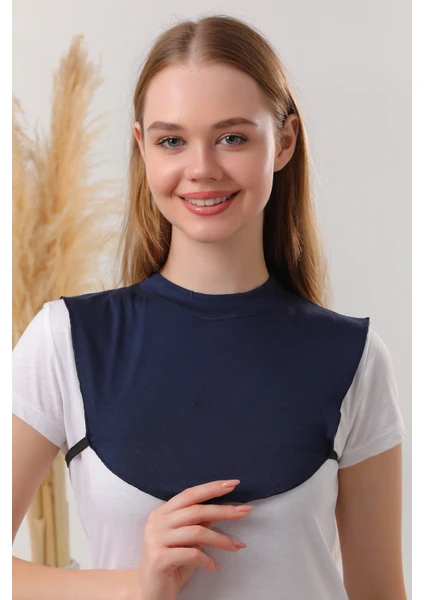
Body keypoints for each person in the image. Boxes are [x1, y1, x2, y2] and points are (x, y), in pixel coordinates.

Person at [12, 14, 408, 600]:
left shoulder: (356, 359)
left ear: (285, 142)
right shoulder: (65, 341)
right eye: (172, 140)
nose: (201, 168)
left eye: (232, 137)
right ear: (142, 147)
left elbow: (380, 591)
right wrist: (133, 586)